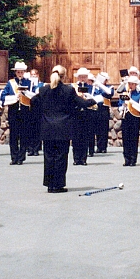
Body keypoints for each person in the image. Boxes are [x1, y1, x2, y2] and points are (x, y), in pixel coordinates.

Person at [33, 65, 96, 193]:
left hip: (47, 127)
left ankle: (50, 185)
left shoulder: (43, 90)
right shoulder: (68, 90)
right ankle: (58, 185)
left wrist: (43, 114)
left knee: (48, 156)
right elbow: (82, 103)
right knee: (61, 156)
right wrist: (93, 101)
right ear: (64, 76)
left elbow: (33, 101)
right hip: (63, 127)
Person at [4, 62, 30, 165]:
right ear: (15, 72)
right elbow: (4, 96)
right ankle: (14, 157)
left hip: (24, 110)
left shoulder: (28, 82)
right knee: (13, 134)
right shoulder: (10, 83)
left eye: (21, 72)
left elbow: (34, 96)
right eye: (18, 72)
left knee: (24, 134)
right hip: (13, 110)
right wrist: (15, 97)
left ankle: (21, 157)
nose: (20, 74)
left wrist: (25, 93)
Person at [119, 75, 140, 166]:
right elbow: (120, 104)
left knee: (133, 139)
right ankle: (126, 159)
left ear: (136, 84)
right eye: (129, 84)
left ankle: (133, 159)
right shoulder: (125, 93)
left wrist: (131, 101)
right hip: (125, 117)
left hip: (134, 117)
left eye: (132, 84)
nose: (130, 86)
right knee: (125, 138)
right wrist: (122, 107)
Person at [72, 68, 95, 166]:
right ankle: (76, 158)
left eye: (84, 77)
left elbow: (94, 100)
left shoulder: (91, 87)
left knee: (85, 137)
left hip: (87, 113)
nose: (82, 79)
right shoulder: (73, 87)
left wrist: (87, 97)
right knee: (76, 137)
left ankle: (83, 158)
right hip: (76, 114)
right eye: (81, 77)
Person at [90, 72, 114, 155]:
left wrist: (100, 85)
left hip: (104, 109)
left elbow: (109, 93)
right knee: (95, 127)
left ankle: (103, 147)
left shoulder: (109, 87)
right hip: (95, 108)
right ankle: (96, 146)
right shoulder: (94, 87)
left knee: (103, 128)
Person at [25, 68, 45, 156]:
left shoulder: (41, 85)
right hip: (28, 108)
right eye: (32, 75)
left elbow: (38, 95)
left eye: (35, 75)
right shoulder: (28, 84)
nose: (33, 76)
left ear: (38, 75)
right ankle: (30, 148)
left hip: (37, 109)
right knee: (29, 129)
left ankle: (36, 149)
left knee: (37, 129)